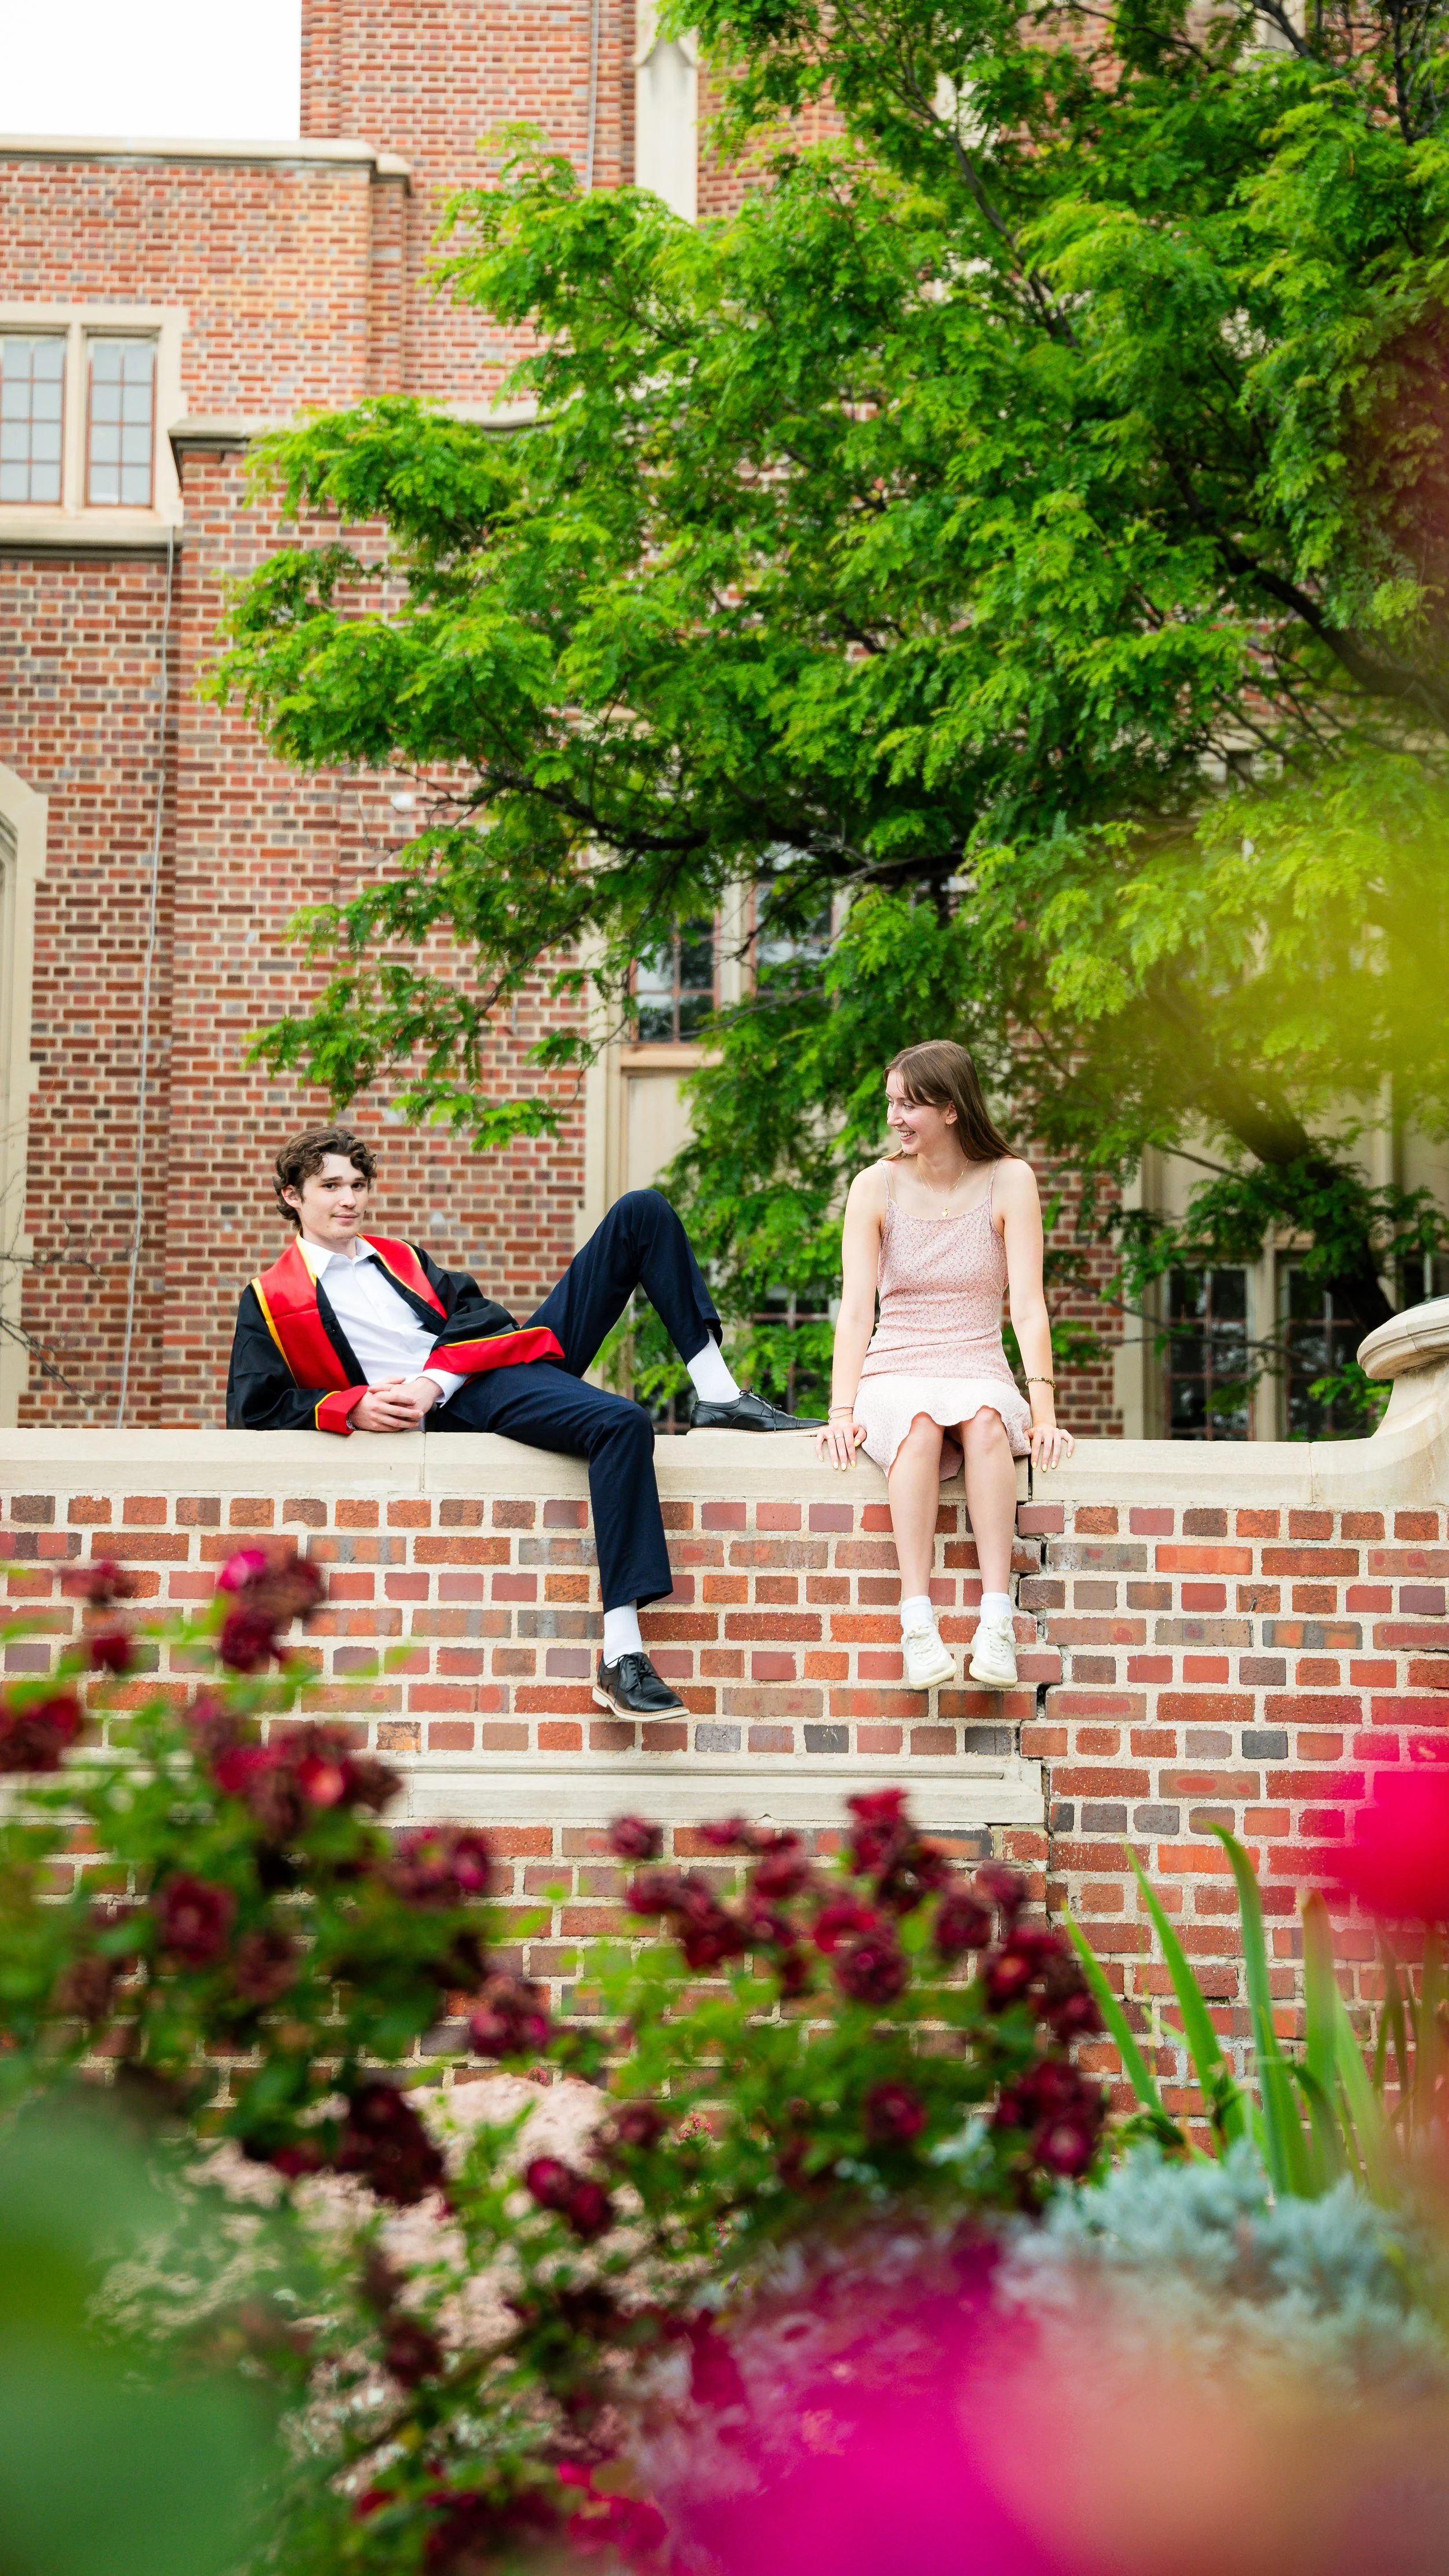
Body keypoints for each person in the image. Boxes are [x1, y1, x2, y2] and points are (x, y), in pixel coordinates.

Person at [227, 1127, 820, 1718]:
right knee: (621, 1420)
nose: (349, 1199)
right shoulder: (272, 1298)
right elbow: (254, 1406)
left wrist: (432, 1377)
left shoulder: (400, 1258)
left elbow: (482, 1315)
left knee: (643, 1210)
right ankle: (622, 1652)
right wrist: (345, 1405)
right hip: (468, 1404)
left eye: (357, 1184)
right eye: (330, 1186)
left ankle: (717, 1392)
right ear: (292, 1196)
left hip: (485, 1371)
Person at [815, 1043, 1073, 1693]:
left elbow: (1029, 1304)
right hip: (895, 1366)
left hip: (976, 1359)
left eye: (909, 1104)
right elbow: (854, 1311)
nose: (895, 1117)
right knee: (920, 1427)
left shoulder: (1010, 1179)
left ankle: (996, 1624)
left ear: (951, 1108)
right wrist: (841, 1409)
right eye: (891, 1103)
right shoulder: (873, 1186)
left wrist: (1043, 1410)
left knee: (987, 1422)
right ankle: (917, 1622)